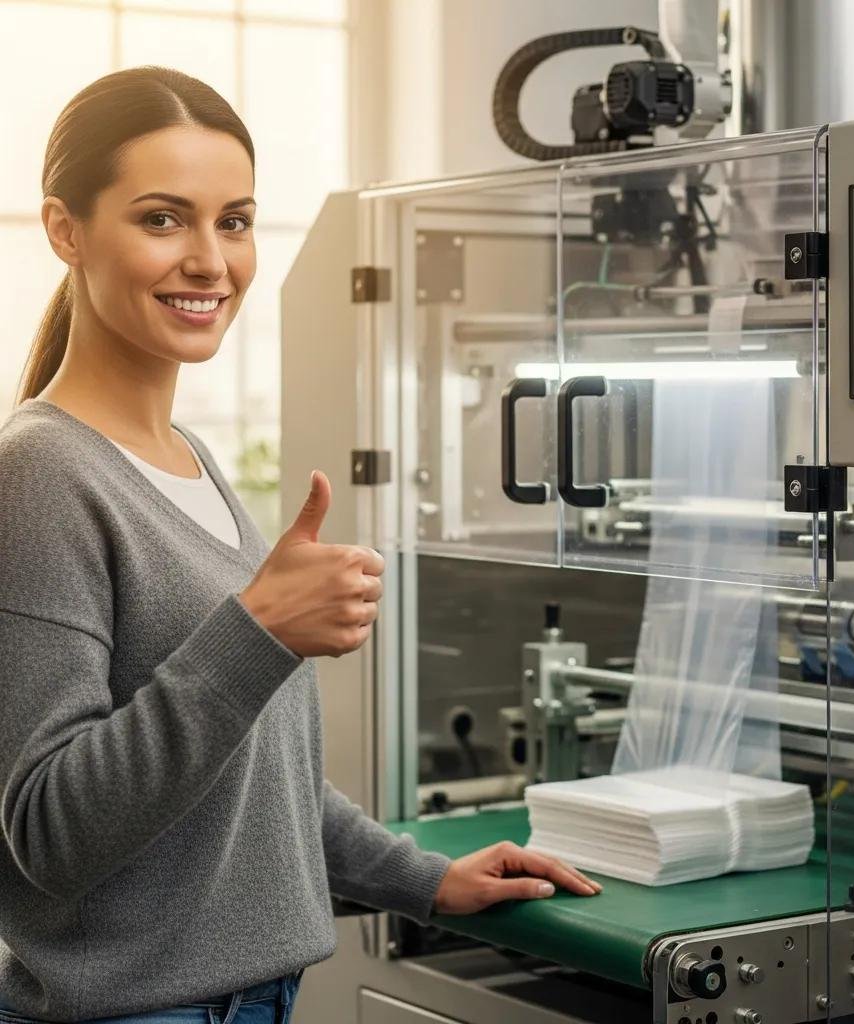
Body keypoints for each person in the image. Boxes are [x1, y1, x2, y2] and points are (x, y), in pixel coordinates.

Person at [0, 67, 600, 1024]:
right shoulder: (40, 475)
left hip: (253, 1001)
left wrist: (424, 879)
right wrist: (259, 630)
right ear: (67, 231)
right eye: (163, 219)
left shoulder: (185, 457)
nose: (210, 260)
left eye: (232, 222)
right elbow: (48, 831)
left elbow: (249, 774)